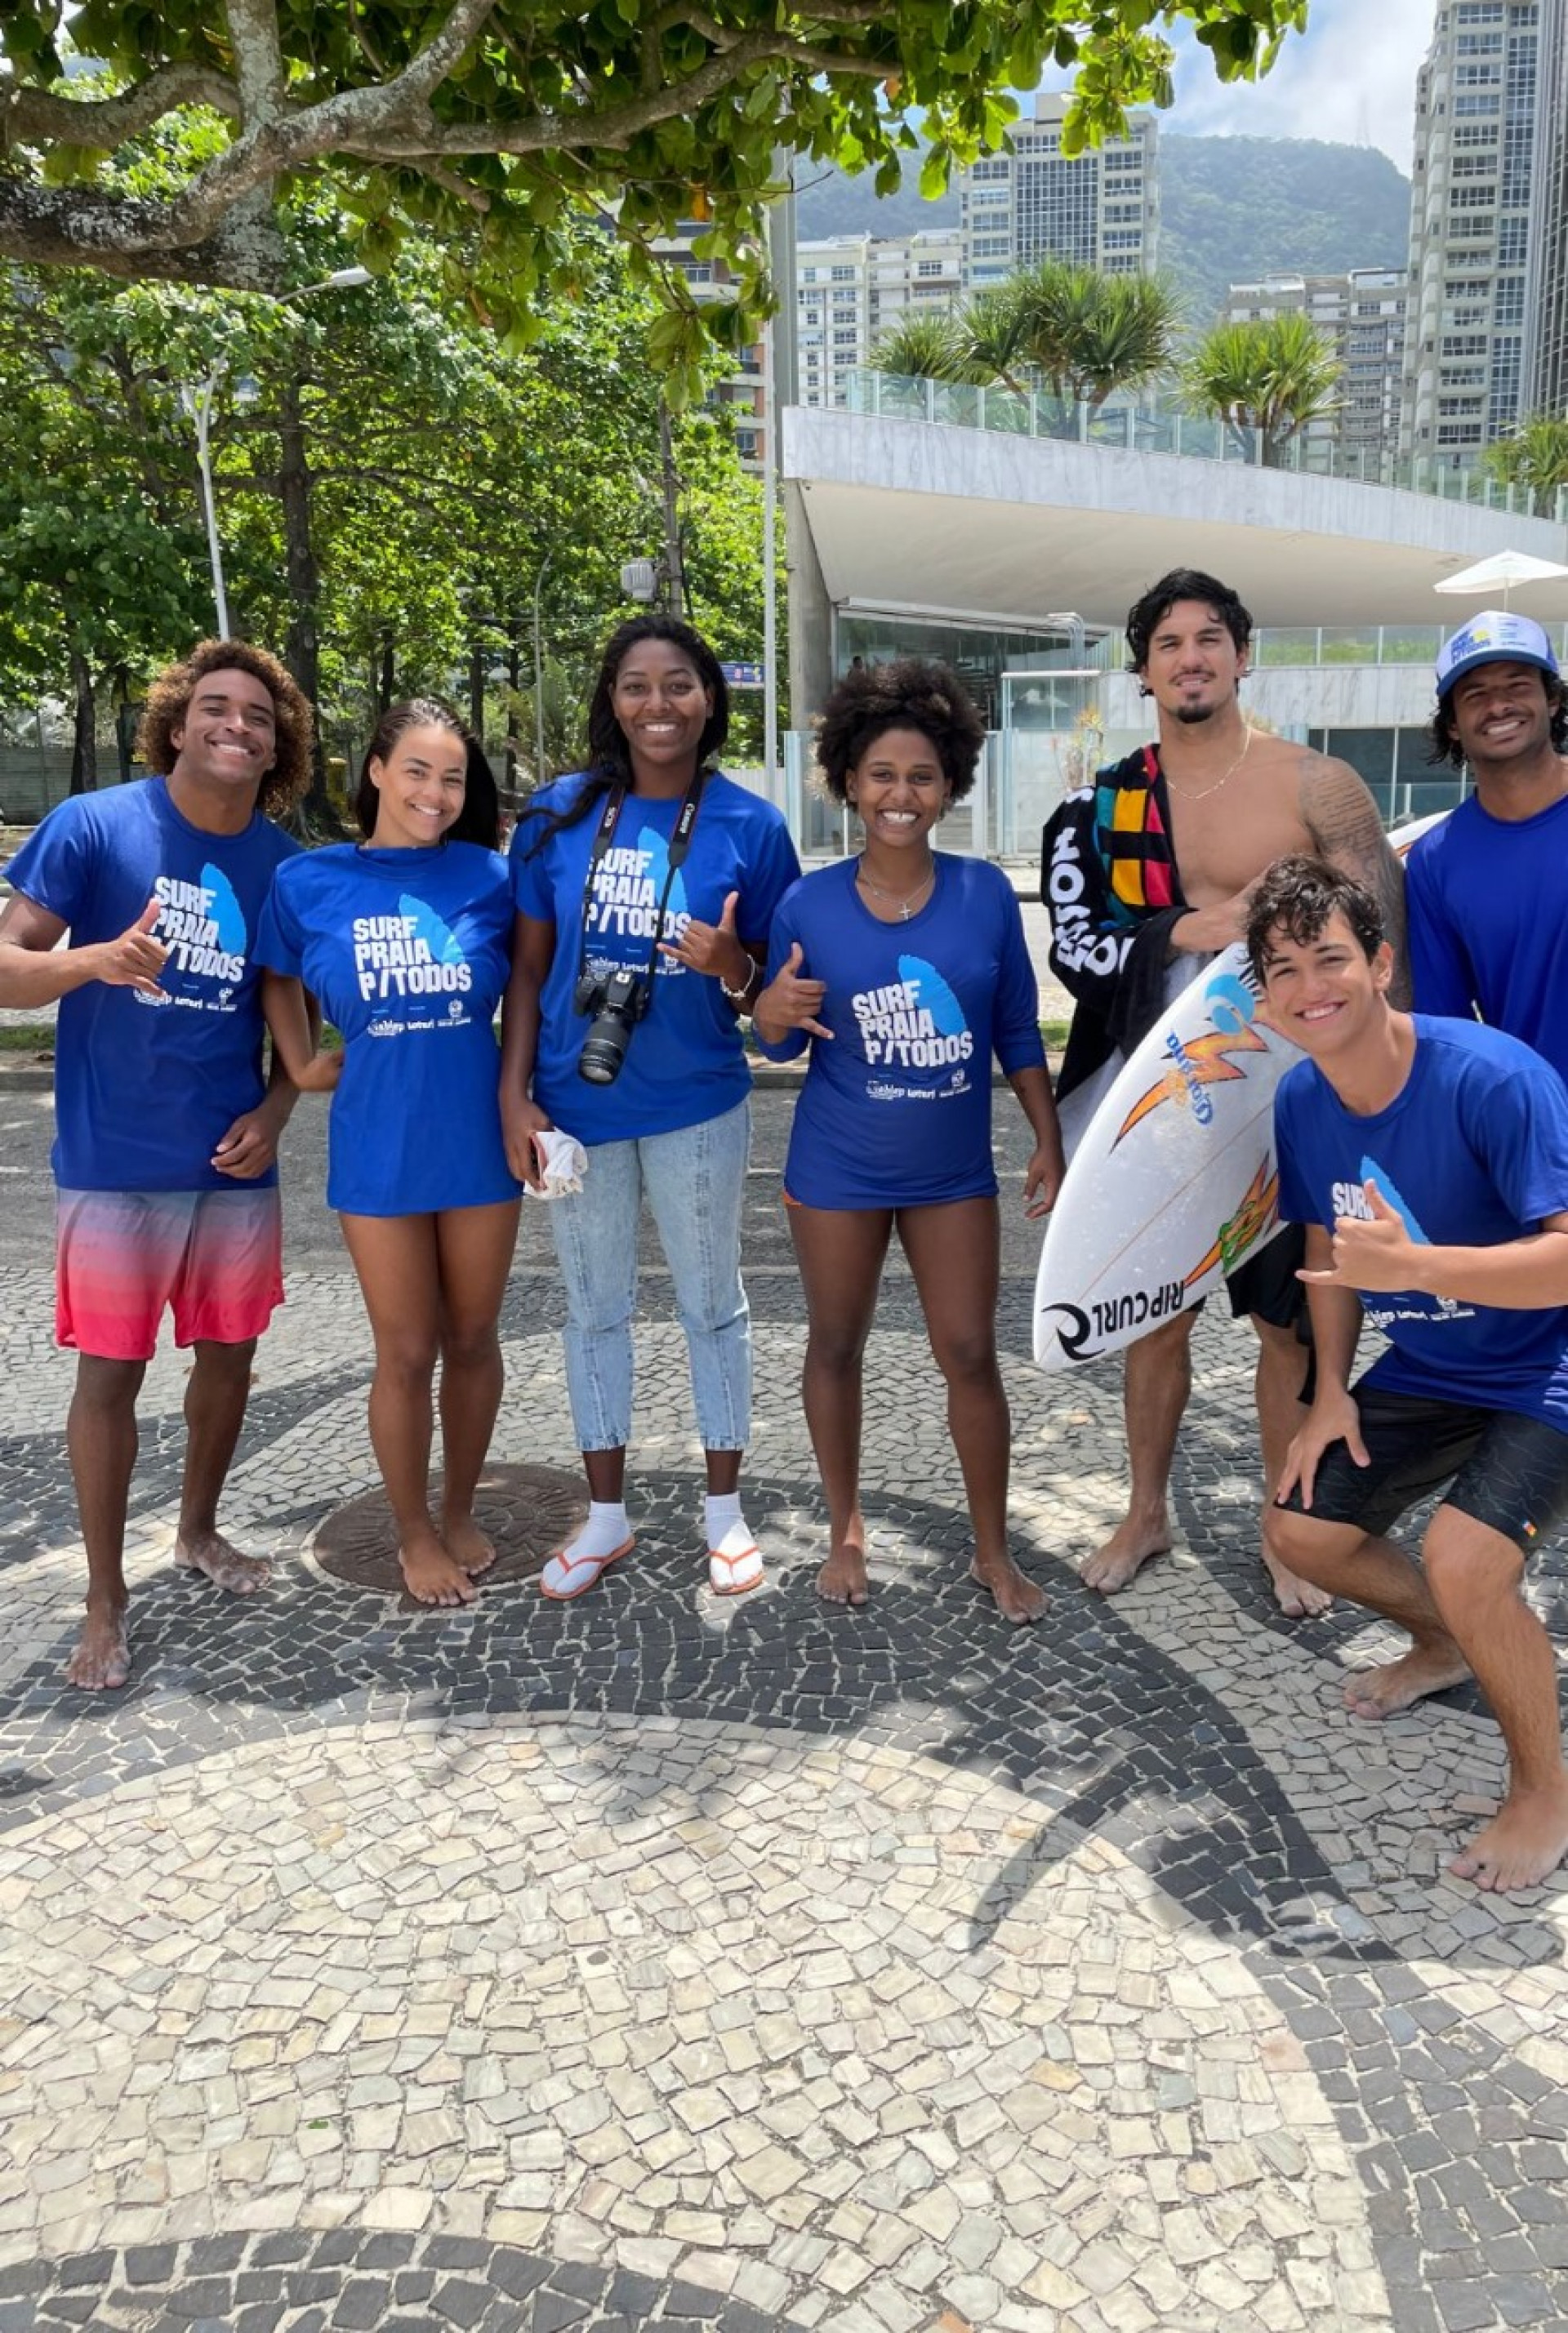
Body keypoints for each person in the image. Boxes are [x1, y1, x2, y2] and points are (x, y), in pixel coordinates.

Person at [1040, 568, 1406, 1615]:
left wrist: (1388, 1106)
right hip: (1163, 1099)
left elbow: (1382, 948)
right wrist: (1194, 927)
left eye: (1210, 639)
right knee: (1154, 1317)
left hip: (1292, 1100)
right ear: (1143, 669)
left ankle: (1286, 1528)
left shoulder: (1316, 784)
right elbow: (1077, 952)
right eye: (1168, 643)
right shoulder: (1108, 800)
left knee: (1289, 1329)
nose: (1191, 658)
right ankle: (1146, 1508)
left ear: (1243, 656)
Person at [1251, 855, 1568, 1893]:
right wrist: (1330, 1388)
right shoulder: (1303, 1100)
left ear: (1382, 962)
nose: (1311, 986)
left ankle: (1542, 1792)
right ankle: (1447, 1642)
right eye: (1284, 967)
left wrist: (1417, 1267)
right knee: (1299, 1527)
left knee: (1468, 1554)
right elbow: (1324, 1249)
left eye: (1331, 957)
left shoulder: (1494, 1077)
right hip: (1433, 1364)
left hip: (1548, 1365)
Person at [0, 640, 312, 1690]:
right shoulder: (94, 824)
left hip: (229, 1163)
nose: (238, 726)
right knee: (111, 1376)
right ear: (177, 723)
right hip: (112, 1161)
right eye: (216, 708)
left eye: (259, 717)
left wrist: (276, 1113)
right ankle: (103, 1595)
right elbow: (6, 970)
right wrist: (96, 958)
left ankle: (198, 1531)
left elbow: (293, 1034)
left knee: (228, 1363)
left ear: (279, 745)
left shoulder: (278, 863)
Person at [752, 658, 1065, 1623]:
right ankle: (845, 1525)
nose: (900, 795)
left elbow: (1016, 1027)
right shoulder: (807, 903)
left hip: (953, 1174)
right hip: (838, 1165)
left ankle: (991, 1548)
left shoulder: (981, 896)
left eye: (921, 777)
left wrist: (1046, 1139)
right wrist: (769, 1006)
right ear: (849, 780)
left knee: (971, 1350)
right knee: (835, 1343)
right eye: (882, 775)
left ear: (950, 786)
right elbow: (773, 1036)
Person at [501, 615, 800, 1600]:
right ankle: (606, 1519)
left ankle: (724, 1515)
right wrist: (514, 1098)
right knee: (594, 1312)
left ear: (709, 699)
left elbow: (777, 995)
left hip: (698, 1102)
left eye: (680, 684)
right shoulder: (554, 814)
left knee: (713, 1306)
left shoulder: (750, 826)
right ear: (612, 700)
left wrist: (735, 965)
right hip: (574, 1106)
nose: (658, 704)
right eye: (637, 685)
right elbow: (530, 969)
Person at [257, 700, 522, 1610]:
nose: (435, 793)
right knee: (405, 1350)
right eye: (416, 770)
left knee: (474, 1338)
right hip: (377, 1146)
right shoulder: (310, 880)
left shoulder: (493, 876)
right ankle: (412, 1530)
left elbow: (528, 988)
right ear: (373, 770)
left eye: (452, 777)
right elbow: (277, 972)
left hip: (479, 1144)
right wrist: (296, 1063)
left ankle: (457, 1506)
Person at [1405, 610, 1568, 1081]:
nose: (1498, 706)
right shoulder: (1435, 861)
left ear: (1552, 699)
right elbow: (1448, 1032)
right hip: (1537, 1129)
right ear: (1452, 724)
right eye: (1475, 694)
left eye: (1517, 685)